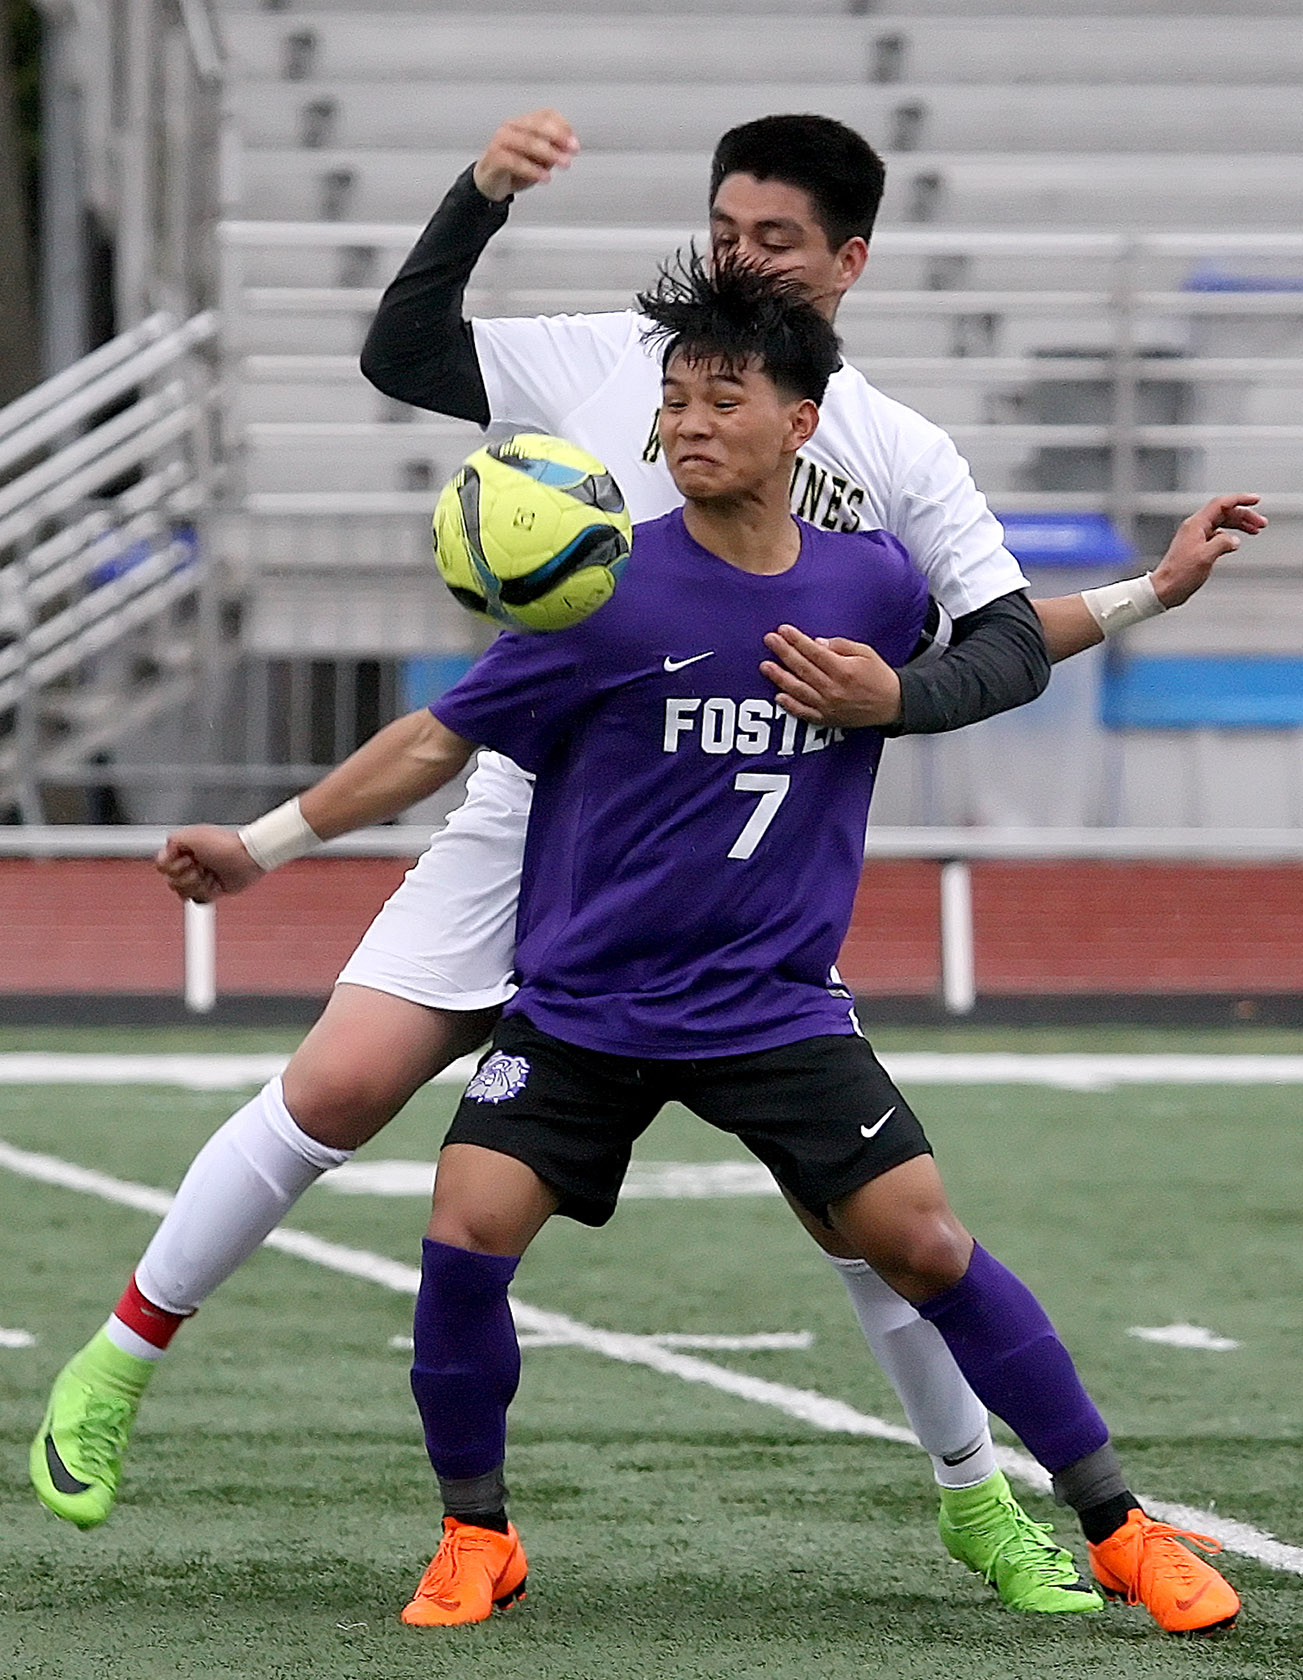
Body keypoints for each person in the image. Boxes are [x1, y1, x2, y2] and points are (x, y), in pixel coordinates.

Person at [29, 113, 1260, 1618]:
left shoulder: (892, 459)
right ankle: (121, 1365)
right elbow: (406, 360)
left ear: (847, 265)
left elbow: (991, 643)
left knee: (871, 1225)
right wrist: (478, 194)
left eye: (776, 238)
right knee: (338, 1093)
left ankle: (980, 1498)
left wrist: (1079, 618)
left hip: (736, 879)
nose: (737, 257)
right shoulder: (619, 357)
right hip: (538, 810)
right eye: (724, 224)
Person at [388, 257, 1235, 1633]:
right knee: (464, 1235)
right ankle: (475, 1534)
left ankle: (1124, 1530)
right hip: (586, 1003)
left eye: (722, 394)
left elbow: (1011, 643)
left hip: (773, 1007)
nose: (686, 421)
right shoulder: (595, 593)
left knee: (929, 1246)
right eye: (672, 399)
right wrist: (270, 840)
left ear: (802, 423)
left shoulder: (872, 582)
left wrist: (1154, 591)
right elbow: (438, 737)